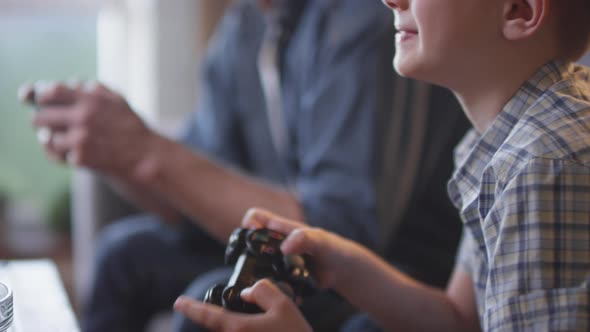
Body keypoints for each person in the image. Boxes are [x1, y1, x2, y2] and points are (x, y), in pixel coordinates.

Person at [21, 0, 468, 331]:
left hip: (390, 267)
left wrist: (147, 151)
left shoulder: (360, 24)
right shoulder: (243, 29)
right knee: (123, 256)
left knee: (211, 304)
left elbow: (338, 234)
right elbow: (189, 204)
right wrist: (115, 154)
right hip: (280, 246)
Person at [174, 0, 590, 331]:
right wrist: (343, 266)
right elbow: (461, 319)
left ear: (519, 10)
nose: (390, 0)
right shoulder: (495, 142)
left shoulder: (542, 167)